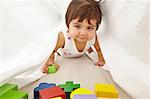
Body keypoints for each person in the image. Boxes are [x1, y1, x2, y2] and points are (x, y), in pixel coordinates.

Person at [42, 0, 105, 73]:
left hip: (80, 54)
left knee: (90, 49)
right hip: (63, 53)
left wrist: (101, 59)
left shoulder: (93, 37)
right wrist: (50, 61)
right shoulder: (63, 38)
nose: (83, 33)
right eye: (77, 26)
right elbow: (51, 51)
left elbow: (100, 50)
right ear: (68, 24)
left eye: (90, 28)